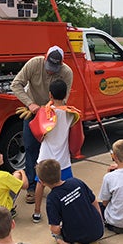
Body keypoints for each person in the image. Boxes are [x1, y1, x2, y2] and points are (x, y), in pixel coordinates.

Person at [11, 45, 73, 204]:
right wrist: (30, 104)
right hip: (32, 112)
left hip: (52, 115)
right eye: (49, 67)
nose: (51, 71)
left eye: (54, 68)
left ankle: (55, 184)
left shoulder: (66, 72)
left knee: (54, 151)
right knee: (31, 148)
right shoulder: (34, 64)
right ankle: (32, 186)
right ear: (45, 59)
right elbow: (16, 84)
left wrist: (45, 111)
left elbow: (63, 98)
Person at [32, 79, 79, 223]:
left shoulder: (44, 112)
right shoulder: (71, 114)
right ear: (66, 94)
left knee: (40, 183)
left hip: (45, 155)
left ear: (50, 95)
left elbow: (38, 131)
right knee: (67, 185)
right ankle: (68, 210)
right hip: (63, 158)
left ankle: (37, 212)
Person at [36, 159, 103, 244]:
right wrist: (99, 220)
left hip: (75, 236)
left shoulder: (52, 198)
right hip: (98, 230)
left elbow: (55, 228)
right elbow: (94, 202)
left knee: (55, 235)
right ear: (60, 172)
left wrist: (56, 230)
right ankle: (92, 241)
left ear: (42, 182)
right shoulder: (76, 182)